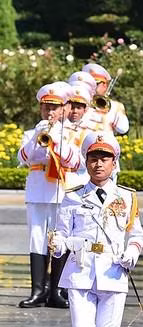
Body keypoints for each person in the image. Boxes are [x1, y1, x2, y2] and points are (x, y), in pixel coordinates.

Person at [49, 131, 143, 327]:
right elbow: (61, 234)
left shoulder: (126, 197)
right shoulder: (72, 196)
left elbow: (137, 234)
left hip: (112, 274)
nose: (99, 163)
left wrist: (132, 252)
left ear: (114, 162)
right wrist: (57, 245)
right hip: (80, 272)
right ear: (86, 161)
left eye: (105, 158)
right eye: (93, 157)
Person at [17, 82, 81, 309]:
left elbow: (73, 161)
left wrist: (56, 137)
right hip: (37, 191)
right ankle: (38, 290)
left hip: (60, 191)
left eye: (54, 107)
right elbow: (23, 158)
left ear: (64, 109)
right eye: (46, 107)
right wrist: (38, 135)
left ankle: (57, 290)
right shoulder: (31, 133)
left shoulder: (72, 134)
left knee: (59, 240)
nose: (50, 112)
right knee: (37, 239)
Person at [81, 63, 129, 135]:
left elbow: (123, 129)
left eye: (96, 84)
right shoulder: (81, 102)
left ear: (105, 85)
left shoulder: (116, 106)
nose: (91, 87)